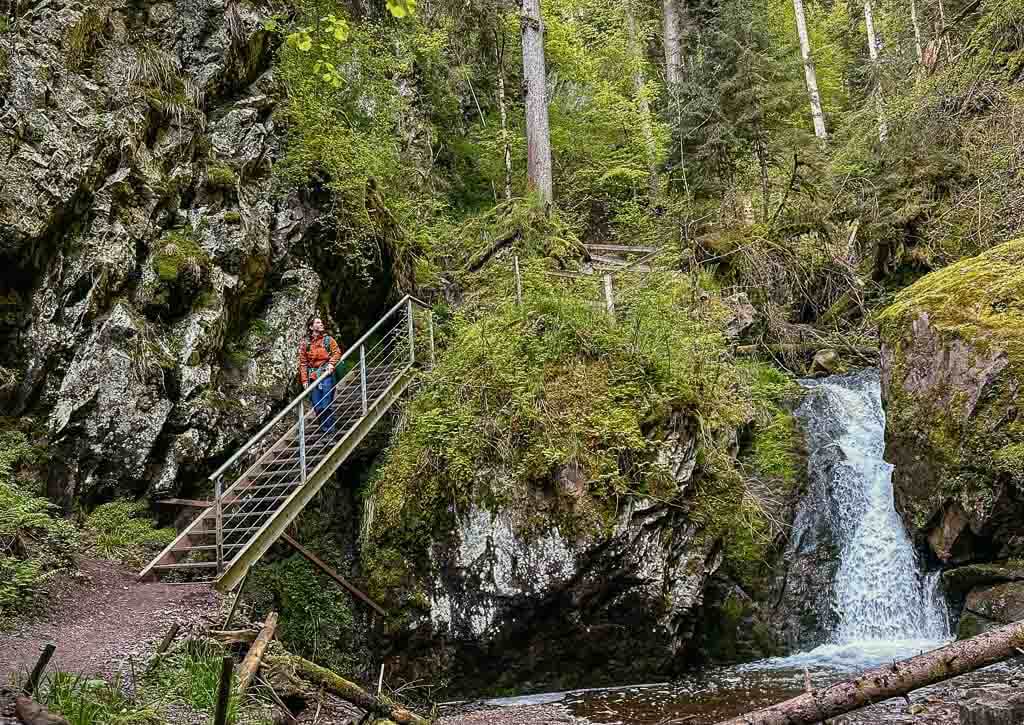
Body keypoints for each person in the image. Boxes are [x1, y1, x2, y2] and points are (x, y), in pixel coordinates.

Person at [298, 315, 343, 432]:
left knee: (325, 404)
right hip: (313, 377)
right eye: (318, 323)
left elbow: (337, 352)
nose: (321, 324)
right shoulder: (305, 344)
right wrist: (304, 380)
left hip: (327, 374)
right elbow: (303, 364)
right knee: (317, 407)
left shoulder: (328, 340)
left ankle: (329, 432)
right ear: (311, 327)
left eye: (321, 322)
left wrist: (331, 364)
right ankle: (325, 430)